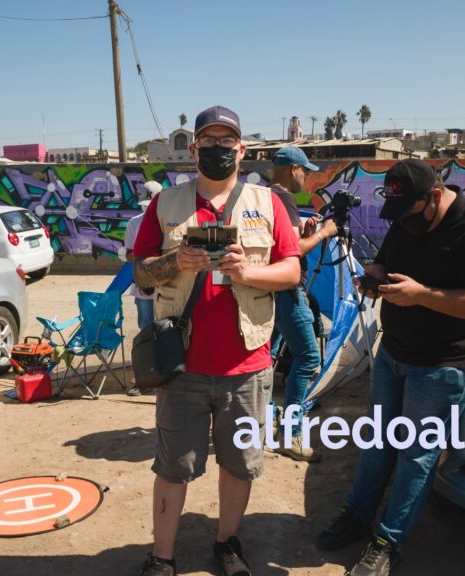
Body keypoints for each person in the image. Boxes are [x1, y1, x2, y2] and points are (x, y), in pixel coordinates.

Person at [316, 159, 465, 576]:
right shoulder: (407, 215)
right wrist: (373, 275)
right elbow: (387, 260)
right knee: (378, 442)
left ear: (435, 196)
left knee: (416, 455)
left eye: (411, 213)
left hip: (445, 364)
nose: (404, 223)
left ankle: (388, 541)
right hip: (394, 353)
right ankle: (357, 515)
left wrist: (422, 295)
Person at [132, 105, 301, 576]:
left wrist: (248, 271)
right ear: (193, 148)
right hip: (181, 365)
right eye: (208, 140)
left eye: (227, 141)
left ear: (242, 149)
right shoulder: (165, 203)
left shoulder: (268, 204)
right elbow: (141, 272)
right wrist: (175, 264)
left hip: (247, 363)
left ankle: (227, 544)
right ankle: (161, 557)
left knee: (238, 464)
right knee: (173, 467)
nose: (218, 148)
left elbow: (291, 270)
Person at [268, 145, 337, 462]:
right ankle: (291, 435)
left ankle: (268, 424)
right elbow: (293, 250)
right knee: (308, 358)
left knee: (269, 360)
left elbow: (286, 245)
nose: (307, 178)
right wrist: (323, 233)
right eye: (305, 171)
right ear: (292, 169)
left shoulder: (268, 197)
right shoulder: (283, 199)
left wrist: (307, 232)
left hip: (275, 291)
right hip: (288, 291)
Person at [123, 182, 161, 397]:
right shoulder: (133, 224)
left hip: (169, 288)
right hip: (144, 289)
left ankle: (169, 376)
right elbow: (129, 255)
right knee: (146, 333)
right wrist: (140, 255)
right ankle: (145, 378)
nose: (147, 208)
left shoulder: (169, 221)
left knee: (171, 332)